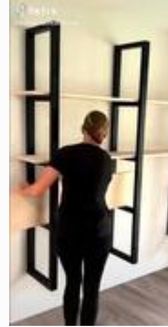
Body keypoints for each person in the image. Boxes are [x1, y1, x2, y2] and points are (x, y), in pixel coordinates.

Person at [17, 111, 113, 325]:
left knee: (73, 284)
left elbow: (37, 190)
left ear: (83, 128)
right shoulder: (107, 160)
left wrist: (23, 190)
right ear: (104, 134)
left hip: (71, 232)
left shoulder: (65, 154)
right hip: (100, 231)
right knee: (91, 290)